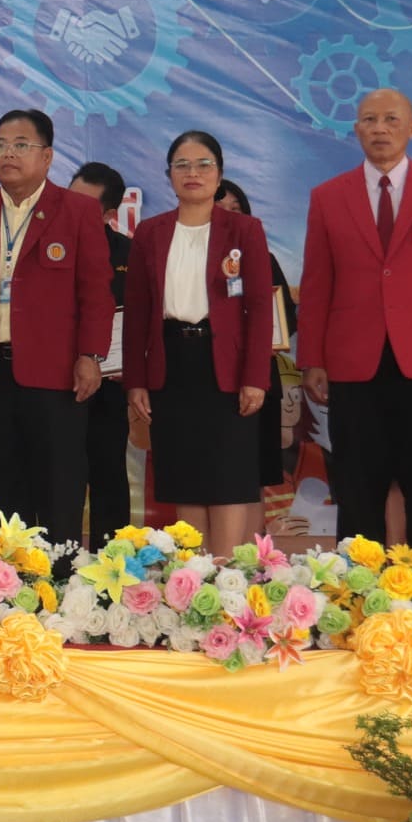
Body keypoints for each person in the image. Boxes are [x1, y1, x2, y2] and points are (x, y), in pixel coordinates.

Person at [298, 88, 412, 557]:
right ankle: (357, 590)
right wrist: (312, 358)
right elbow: (317, 284)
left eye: (390, 119)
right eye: (369, 120)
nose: (379, 128)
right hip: (353, 363)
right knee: (357, 488)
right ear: (356, 129)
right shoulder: (327, 197)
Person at [0, 109, 114, 552]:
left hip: (56, 374)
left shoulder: (78, 211)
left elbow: (96, 292)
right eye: (0, 145)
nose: (8, 154)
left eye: (20, 145)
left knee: (58, 488)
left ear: (47, 156)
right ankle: (3, 584)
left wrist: (91, 354)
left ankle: (61, 582)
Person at [123, 132, 275, 556]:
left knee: (227, 477)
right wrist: (136, 381)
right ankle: (196, 576)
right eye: (182, 165)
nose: (193, 173)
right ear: (169, 175)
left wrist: (255, 378)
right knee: (184, 476)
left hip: (226, 364)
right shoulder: (151, 233)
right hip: (171, 362)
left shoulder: (244, 230)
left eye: (203, 164)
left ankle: (226, 574)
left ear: (219, 174)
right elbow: (136, 314)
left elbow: (260, 308)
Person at [215, 178, 294, 506]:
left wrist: (262, 336)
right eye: (221, 208)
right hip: (209, 379)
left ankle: (254, 539)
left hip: (259, 378)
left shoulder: (264, 258)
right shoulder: (186, 260)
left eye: (236, 209)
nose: (229, 216)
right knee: (216, 473)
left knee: (255, 474)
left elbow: (287, 317)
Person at [68, 161, 133, 545]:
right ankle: (54, 561)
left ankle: (112, 561)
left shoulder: (129, 252)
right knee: (60, 476)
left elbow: (142, 316)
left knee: (108, 472)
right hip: (55, 384)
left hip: (110, 385)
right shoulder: (43, 244)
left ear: (109, 214)